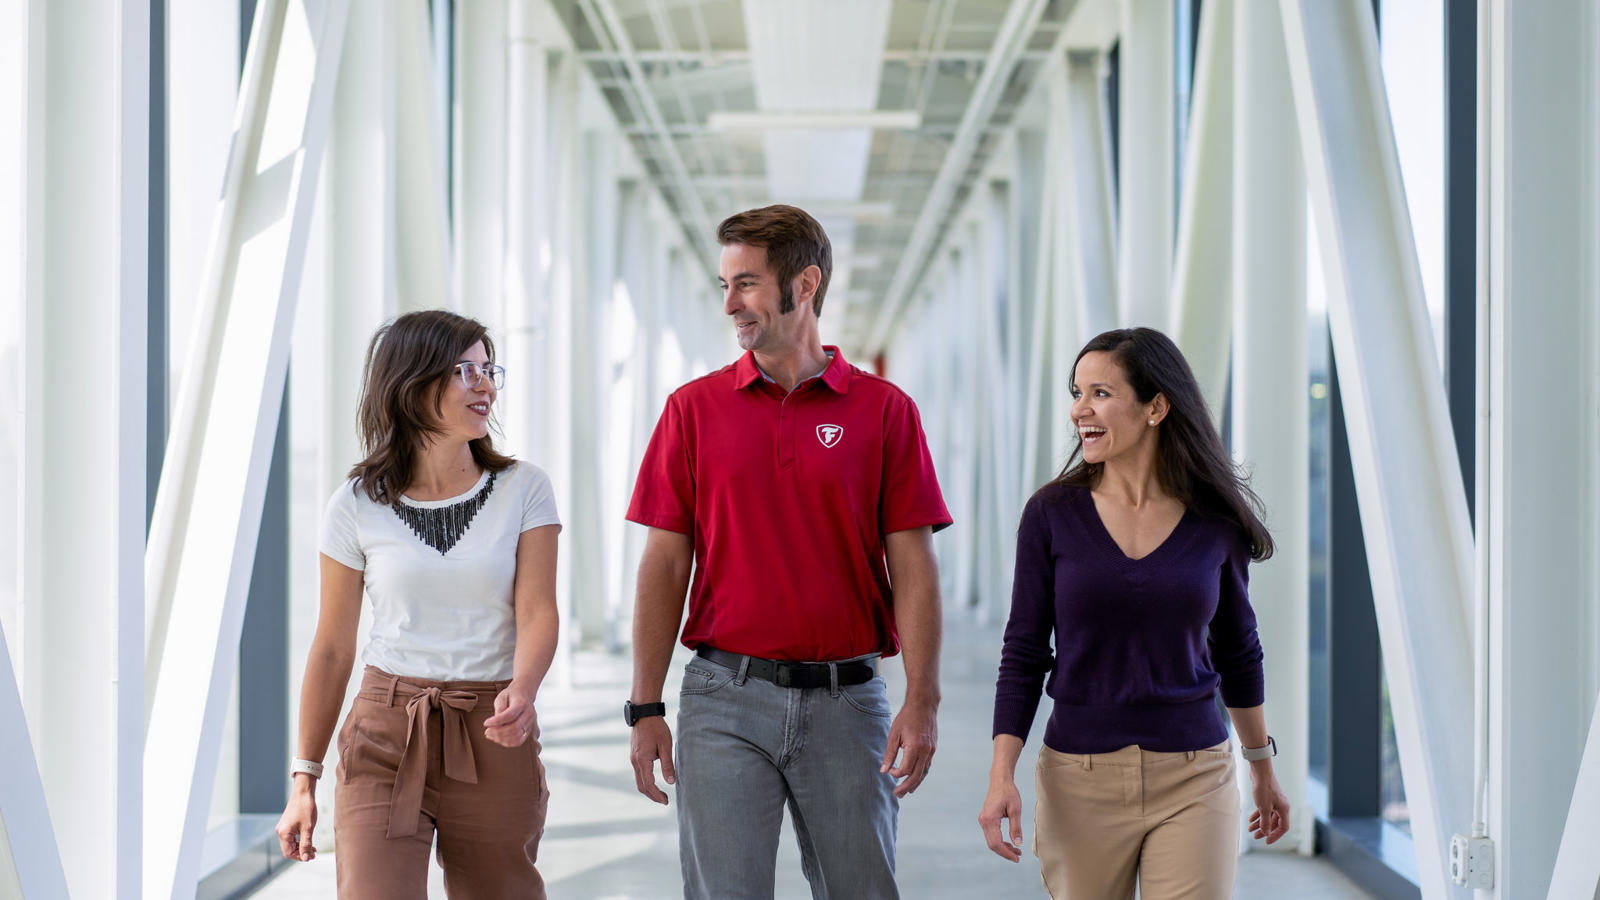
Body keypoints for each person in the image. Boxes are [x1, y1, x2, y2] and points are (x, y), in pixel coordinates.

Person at [624, 205, 952, 899]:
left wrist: (922, 699)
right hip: (723, 700)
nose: (730, 305)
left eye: (746, 283)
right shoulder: (692, 410)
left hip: (848, 702)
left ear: (805, 284)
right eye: (725, 286)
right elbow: (665, 564)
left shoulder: (885, 411)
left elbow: (913, 567)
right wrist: (644, 705)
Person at [979, 327, 1291, 899]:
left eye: (1100, 393)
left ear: (1156, 408)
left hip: (1195, 775)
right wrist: (1002, 775)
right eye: (1077, 393)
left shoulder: (1215, 521)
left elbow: (1239, 651)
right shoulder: (1051, 514)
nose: (1080, 410)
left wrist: (1261, 768)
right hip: (1079, 779)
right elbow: (1023, 652)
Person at [274, 310, 561, 899]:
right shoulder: (355, 504)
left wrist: (524, 689)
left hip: (493, 729)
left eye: (489, 370)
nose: (486, 386)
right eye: (466, 371)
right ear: (413, 383)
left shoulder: (525, 488)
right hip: (384, 731)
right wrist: (304, 779)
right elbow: (331, 648)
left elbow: (538, 611)